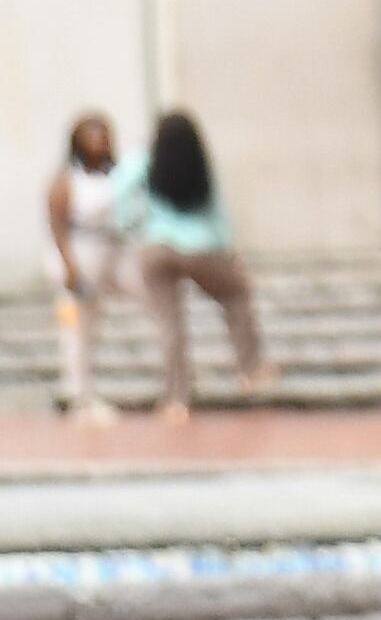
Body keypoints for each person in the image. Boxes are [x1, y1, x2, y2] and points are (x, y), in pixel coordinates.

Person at [117, 110, 267, 418]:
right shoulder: (200, 165)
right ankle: (249, 368)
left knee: (169, 324)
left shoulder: (144, 163)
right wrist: (229, 251)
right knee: (236, 296)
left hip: (156, 246)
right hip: (201, 246)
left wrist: (131, 227)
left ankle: (176, 398)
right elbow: (217, 213)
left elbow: (118, 192)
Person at [41, 109, 123, 420]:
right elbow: (57, 224)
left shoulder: (113, 175)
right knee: (72, 326)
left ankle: (86, 390)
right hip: (75, 256)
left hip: (104, 255)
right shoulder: (65, 180)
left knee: (92, 328)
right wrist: (68, 265)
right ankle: (75, 394)